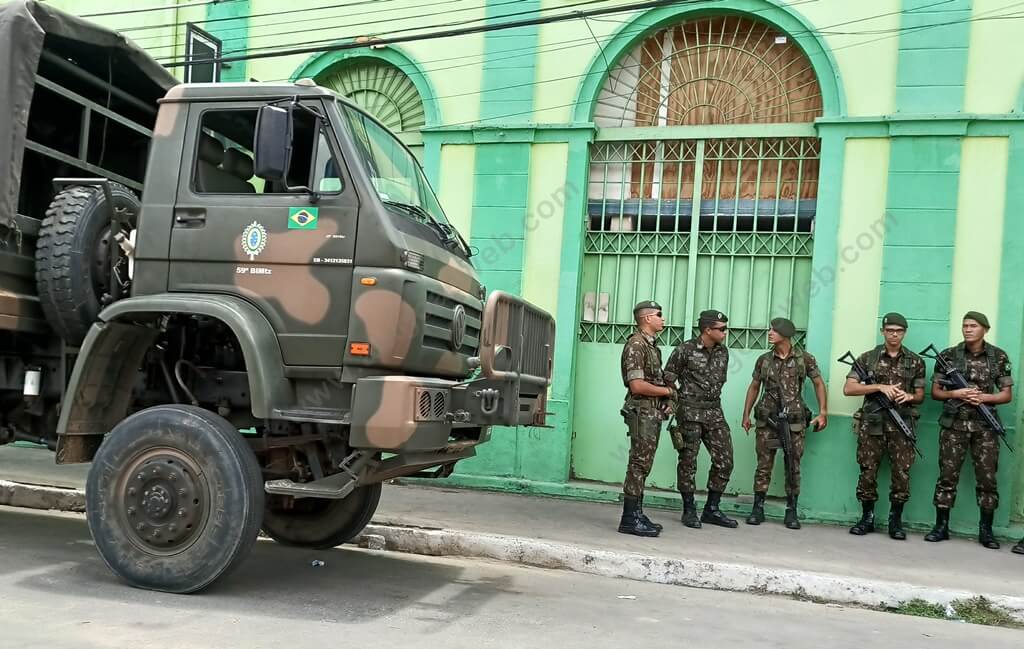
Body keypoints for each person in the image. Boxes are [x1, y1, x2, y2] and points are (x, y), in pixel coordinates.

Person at [924, 311, 1013, 550]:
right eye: (965, 325)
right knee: (947, 476)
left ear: (985, 328)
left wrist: (983, 397)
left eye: (973, 325)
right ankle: (941, 526)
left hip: (985, 427)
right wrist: (957, 393)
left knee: (987, 479)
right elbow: (936, 392)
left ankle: (986, 530)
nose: (968, 329)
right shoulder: (948, 355)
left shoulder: (998, 356)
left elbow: (1006, 394)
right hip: (954, 425)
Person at [842, 313, 925, 540]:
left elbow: (920, 395)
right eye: (890, 330)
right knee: (867, 471)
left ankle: (895, 521)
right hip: (872, 425)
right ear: (883, 331)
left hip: (902, 425)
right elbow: (849, 388)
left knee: (902, 473)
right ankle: (866, 518)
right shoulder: (867, 359)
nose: (894, 334)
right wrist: (879, 387)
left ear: (904, 332)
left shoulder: (916, 361)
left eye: (898, 330)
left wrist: (906, 396)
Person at [741, 317, 828, 530]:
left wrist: (823, 412)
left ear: (785, 334)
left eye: (774, 330)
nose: (769, 333)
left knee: (793, 466)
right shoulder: (764, 360)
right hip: (767, 420)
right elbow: (754, 387)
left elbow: (818, 383)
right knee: (764, 465)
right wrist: (746, 414)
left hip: (793, 421)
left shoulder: (804, 359)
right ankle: (757, 508)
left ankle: (791, 510)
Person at [663, 310, 736, 529]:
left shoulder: (723, 352)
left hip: (714, 412)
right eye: (721, 329)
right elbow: (668, 378)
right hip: (690, 413)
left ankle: (712, 509)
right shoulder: (684, 350)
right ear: (707, 330)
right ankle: (689, 510)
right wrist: (673, 403)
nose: (725, 332)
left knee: (725, 460)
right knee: (688, 462)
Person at [618, 300, 675, 537]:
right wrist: (668, 392)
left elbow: (655, 380)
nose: (663, 319)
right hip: (641, 412)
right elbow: (637, 385)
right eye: (659, 315)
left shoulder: (651, 346)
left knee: (644, 463)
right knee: (639, 463)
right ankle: (629, 518)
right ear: (647, 318)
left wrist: (666, 399)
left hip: (651, 413)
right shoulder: (636, 345)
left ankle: (638, 512)